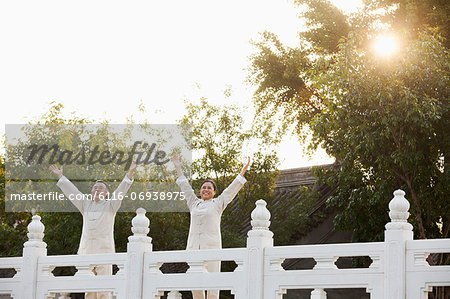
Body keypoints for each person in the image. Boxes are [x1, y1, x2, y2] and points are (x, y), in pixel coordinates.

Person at [49, 163, 137, 299]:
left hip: (104, 252)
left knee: (103, 290)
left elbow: (121, 191)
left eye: (100, 188)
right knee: (89, 290)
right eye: (95, 187)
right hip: (86, 252)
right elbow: (73, 193)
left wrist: (130, 173)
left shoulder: (111, 205)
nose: (97, 189)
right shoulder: (86, 204)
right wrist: (61, 176)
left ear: (106, 193)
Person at [172, 155, 250, 299]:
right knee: (195, 283)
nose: (206, 190)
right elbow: (185, 187)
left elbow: (231, 190)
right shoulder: (193, 203)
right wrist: (178, 167)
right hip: (194, 249)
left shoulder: (218, 203)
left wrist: (243, 170)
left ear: (214, 192)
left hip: (212, 248)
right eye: (203, 188)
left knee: (213, 285)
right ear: (200, 191)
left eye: (209, 188)